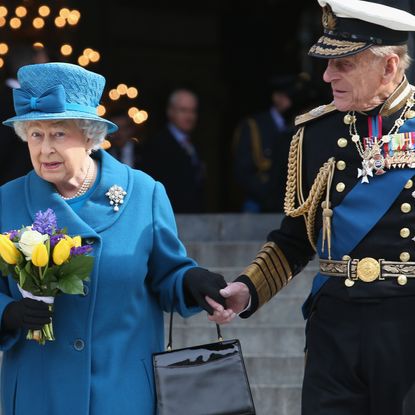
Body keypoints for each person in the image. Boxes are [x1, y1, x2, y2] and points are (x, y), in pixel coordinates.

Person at [209, 1, 415, 414]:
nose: (326, 76)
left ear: (389, 67)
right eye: (326, 63)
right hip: (334, 327)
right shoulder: (314, 133)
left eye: (344, 64)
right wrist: (246, 289)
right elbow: (294, 239)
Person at [0, 62, 230, 415]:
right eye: (35, 134)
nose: (45, 149)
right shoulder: (7, 201)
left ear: (90, 136)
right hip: (39, 393)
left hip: (123, 394)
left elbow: (168, 275)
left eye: (58, 134)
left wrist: (191, 282)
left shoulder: (144, 193)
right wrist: (8, 313)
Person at [232, 74, 300, 213]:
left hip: (290, 202)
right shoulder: (254, 126)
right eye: (285, 96)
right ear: (276, 97)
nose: (290, 101)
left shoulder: (297, 125)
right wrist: (267, 195)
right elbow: (242, 171)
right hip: (259, 200)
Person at [139, 88, 206, 213]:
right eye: (183, 110)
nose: (189, 116)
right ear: (170, 112)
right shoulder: (156, 145)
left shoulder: (195, 144)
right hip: (169, 217)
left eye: (193, 111)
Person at [0, 42, 49, 186]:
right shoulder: (8, 101)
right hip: (12, 189)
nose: (47, 72)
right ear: (31, 67)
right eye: (44, 65)